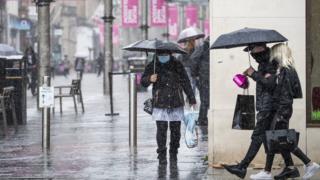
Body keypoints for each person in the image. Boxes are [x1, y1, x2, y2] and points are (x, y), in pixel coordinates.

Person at [249, 43, 320, 180]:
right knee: (277, 138)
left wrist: (280, 112)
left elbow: (285, 94)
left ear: (279, 54)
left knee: (279, 138)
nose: (272, 57)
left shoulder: (286, 71)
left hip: (283, 110)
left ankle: (309, 164)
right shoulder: (284, 70)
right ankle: (288, 168)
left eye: (274, 54)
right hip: (283, 109)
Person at [223, 43, 278, 179]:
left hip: (268, 107)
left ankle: (242, 167)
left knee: (258, 136)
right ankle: (268, 171)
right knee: (268, 139)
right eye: (250, 51)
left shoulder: (271, 62)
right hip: (266, 105)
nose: (252, 54)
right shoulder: (264, 62)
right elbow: (264, 82)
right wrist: (253, 76)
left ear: (261, 47)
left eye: (252, 49)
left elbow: (270, 84)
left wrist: (253, 74)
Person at [141, 52, 196, 165]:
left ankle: (173, 152)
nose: (164, 55)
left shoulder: (177, 64)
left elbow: (185, 81)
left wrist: (191, 98)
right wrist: (149, 79)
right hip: (160, 102)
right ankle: (162, 154)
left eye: (166, 53)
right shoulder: (153, 65)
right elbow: (143, 82)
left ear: (170, 53)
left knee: (175, 131)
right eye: (162, 53)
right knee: (161, 130)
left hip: (175, 101)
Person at [190, 37, 210, 126]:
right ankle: (202, 119)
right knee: (205, 99)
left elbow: (194, 59)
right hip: (205, 76)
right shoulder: (204, 47)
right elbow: (193, 59)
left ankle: (203, 119)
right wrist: (195, 74)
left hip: (206, 76)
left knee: (205, 99)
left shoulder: (205, 47)